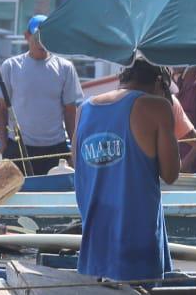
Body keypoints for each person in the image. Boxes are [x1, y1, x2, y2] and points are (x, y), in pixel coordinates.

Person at [74, 58, 180, 282]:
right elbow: (171, 174)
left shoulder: (84, 110)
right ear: (159, 82)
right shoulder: (157, 107)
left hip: (95, 247)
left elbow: (78, 165)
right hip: (138, 249)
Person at [0, 14, 82, 176]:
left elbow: (70, 112)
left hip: (55, 148)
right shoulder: (10, 66)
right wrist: (4, 147)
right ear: (27, 36)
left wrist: (74, 149)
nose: (42, 41)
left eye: (47, 36)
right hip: (19, 147)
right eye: (37, 36)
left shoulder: (65, 68)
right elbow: (1, 110)